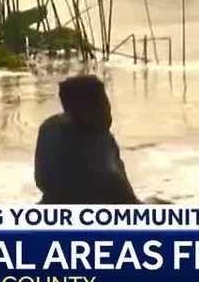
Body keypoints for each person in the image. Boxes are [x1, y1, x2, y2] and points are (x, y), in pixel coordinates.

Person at [34, 75, 138, 204]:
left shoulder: (49, 127)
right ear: (80, 110)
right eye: (101, 103)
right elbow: (117, 185)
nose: (108, 109)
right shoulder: (97, 138)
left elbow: (41, 181)